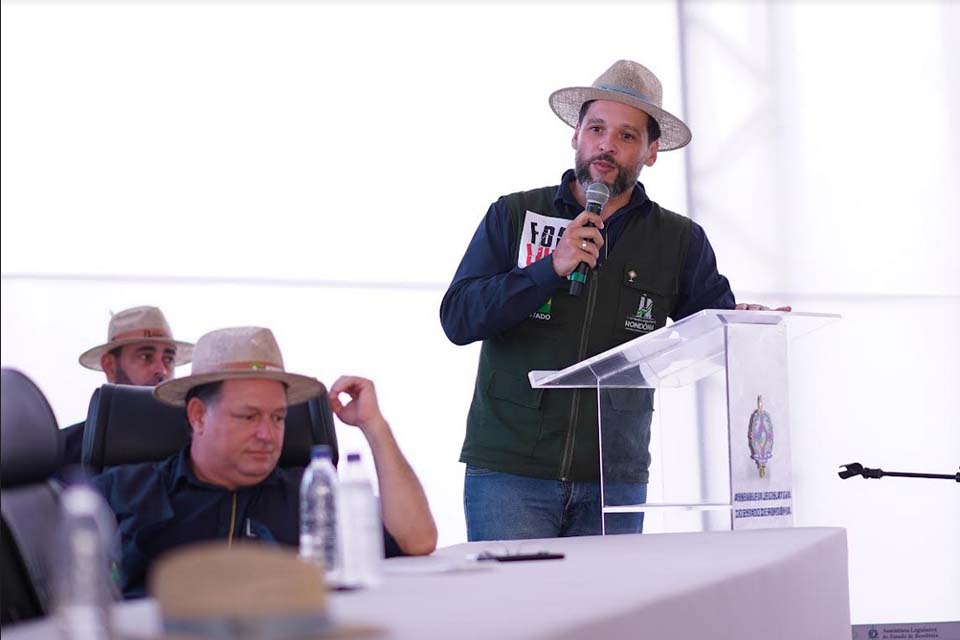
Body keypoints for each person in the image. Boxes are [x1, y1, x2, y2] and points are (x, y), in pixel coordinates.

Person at [440, 59, 788, 541]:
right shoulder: (515, 214)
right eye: (597, 128)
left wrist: (742, 327)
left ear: (651, 152)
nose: (607, 144)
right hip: (510, 473)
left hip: (614, 479)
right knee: (518, 615)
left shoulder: (678, 240)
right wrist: (548, 269)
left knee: (605, 616)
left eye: (626, 136)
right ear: (576, 136)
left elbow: (712, 329)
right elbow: (458, 319)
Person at [91, 326, 437, 597]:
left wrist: (374, 427)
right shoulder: (123, 491)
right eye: (248, 417)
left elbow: (417, 540)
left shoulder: (309, 495)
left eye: (278, 418)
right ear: (198, 416)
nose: (267, 435)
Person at [60, 306, 193, 467]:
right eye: (145, 356)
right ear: (110, 366)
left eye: (168, 359)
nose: (161, 370)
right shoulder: (63, 449)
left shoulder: (193, 445)